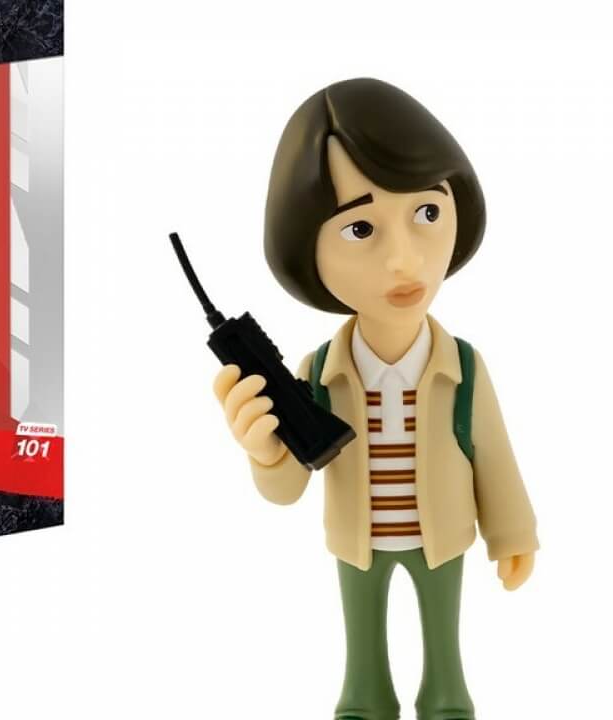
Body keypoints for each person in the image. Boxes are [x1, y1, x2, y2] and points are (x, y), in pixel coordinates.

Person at [213, 78, 538, 720]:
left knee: (443, 636)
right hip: (356, 536)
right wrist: (265, 452)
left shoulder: (463, 367)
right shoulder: (319, 372)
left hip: (442, 533)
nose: (404, 261)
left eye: (427, 214)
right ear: (304, 246)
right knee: (362, 641)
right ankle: (364, 697)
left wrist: (512, 532)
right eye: (360, 227)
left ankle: (447, 696)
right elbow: (288, 487)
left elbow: (493, 456)